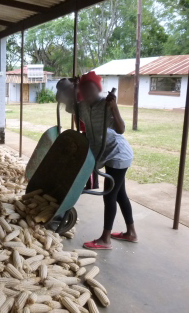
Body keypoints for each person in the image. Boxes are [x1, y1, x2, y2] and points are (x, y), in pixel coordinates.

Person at [59, 72, 138, 249]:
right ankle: (131, 233)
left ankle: (105, 239)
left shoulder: (106, 105)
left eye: (91, 88)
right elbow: (64, 102)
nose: (87, 92)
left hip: (117, 153)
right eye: (84, 88)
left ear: (98, 89)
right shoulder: (82, 106)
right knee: (120, 194)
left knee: (110, 195)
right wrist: (69, 85)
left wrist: (115, 107)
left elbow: (121, 129)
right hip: (105, 153)